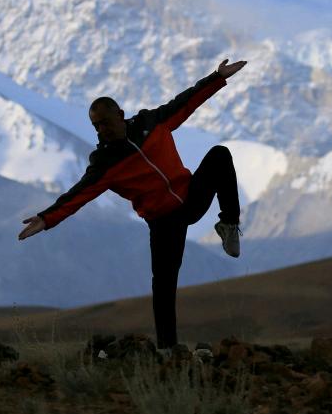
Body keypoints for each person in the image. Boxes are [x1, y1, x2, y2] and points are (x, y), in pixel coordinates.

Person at [17, 58, 247, 350]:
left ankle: (228, 224)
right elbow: (77, 196)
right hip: (164, 221)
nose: (102, 129)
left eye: (105, 122)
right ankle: (167, 349)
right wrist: (46, 218)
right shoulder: (104, 163)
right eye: (96, 125)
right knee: (163, 284)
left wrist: (216, 78)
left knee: (219, 155)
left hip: (191, 196)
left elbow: (185, 102)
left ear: (120, 115)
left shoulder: (152, 122)